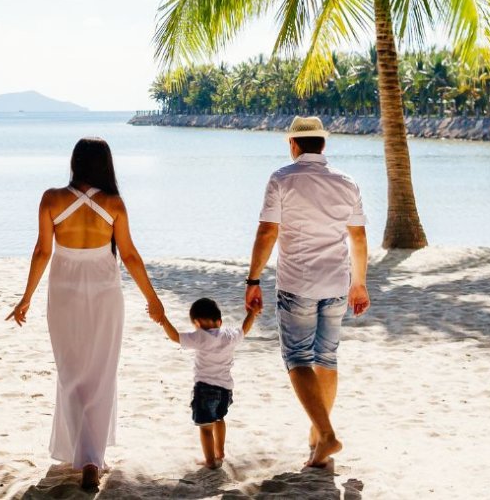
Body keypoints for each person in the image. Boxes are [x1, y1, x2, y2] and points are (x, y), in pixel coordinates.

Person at [8, 137, 166, 493]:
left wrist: (26, 297)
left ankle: (86, 454)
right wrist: (153, 299)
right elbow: (130, 256)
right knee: (101, 372)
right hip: (105, 293)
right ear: (105, 165)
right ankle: (91, 459)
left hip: (63, 293)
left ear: (75, 162)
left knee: (70, 372)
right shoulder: (114, 204)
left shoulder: (51, 199)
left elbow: (42, 252)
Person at [242, 117, 372, 469]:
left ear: (293, 144)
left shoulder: (281, 179)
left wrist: (253, 280)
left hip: (297, 284)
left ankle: (326, 434)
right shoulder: (347, 182)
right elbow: (358, 238)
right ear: (323, 145)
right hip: (336, 284)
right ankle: (318, 437)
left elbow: (267, 232)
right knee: (326, 358)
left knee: (297, 358)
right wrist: (359, 283)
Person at [149, 297, 258, 469]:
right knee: (220, 419)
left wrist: (163, 320)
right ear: (219, 321)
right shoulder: (229, 336)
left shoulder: (200, 337)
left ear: (197, 323)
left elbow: (175, 337)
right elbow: (245, 329)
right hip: (226, 390)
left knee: (206, 428)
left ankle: (210, 461)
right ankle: (219, 453)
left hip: (205, 390)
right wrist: (252, 313)